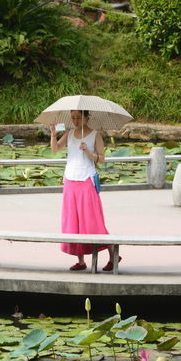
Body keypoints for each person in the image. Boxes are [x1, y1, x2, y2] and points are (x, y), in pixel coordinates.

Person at [50, 110, 119, 271]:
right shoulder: (69, 133)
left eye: (78, 117)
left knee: (93, 221)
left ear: (87, 117)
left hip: (86, 179)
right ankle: (81, 261)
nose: (75, 121)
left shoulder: (95, 135)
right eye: (73, 117)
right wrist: (53, 135)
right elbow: (56, 149)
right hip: (70, 180)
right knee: (73, 221)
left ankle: (112, 254)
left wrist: (88, 152)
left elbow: (101, 158)